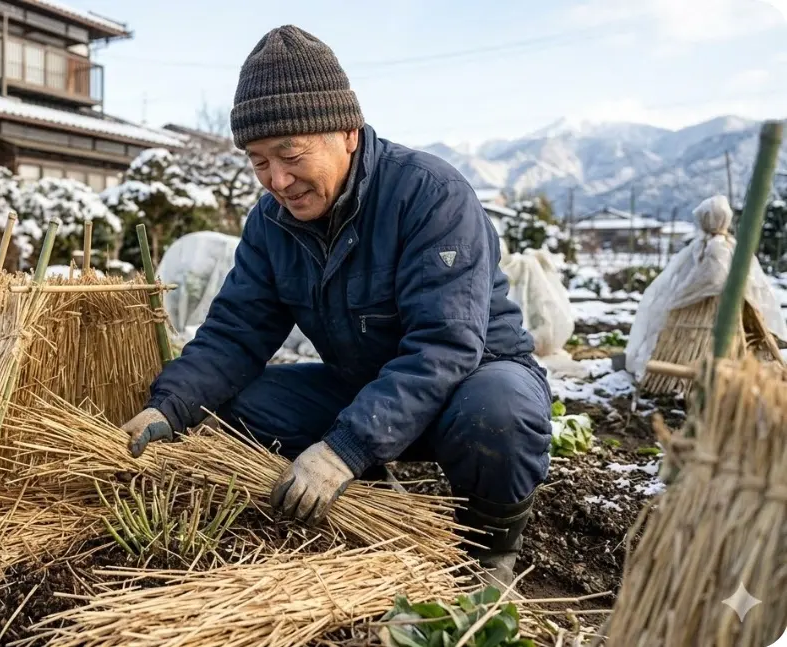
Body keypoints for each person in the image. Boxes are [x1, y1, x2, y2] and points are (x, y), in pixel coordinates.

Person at [120, 24, 553, 587]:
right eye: (258, 162)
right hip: (364, 387)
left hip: (465, 386)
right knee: (232, 406)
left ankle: (488, 554)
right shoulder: (271, 223)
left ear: (347, 132)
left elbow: (444, 347)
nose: (277, 179)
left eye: (290, 154)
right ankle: (373, 497)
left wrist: (347, 447)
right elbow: (236, 331)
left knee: (501, 412)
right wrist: (170, 406)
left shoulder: (430, 196)